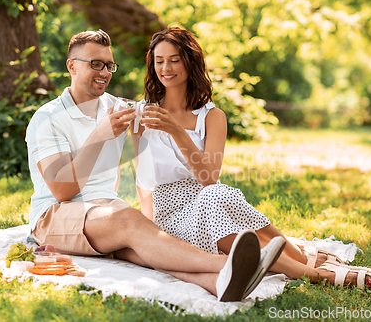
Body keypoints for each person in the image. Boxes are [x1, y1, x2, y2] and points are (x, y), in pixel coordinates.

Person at [25, 29, 285, 302]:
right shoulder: (48, 119)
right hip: (55, 216)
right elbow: (62, 191)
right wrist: (100, 136)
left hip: (103, 210)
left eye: (109, 65)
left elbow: (153, 148)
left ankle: (220, 284)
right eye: (95, 64)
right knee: (131, 221)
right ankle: (229, 264)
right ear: (71, 65)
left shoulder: (116, 108)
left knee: (153, 249)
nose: (104, 72)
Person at [133, 27, 371, 293]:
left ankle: (298, 257)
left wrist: (176, 130)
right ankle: (310, 272)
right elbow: (143, 175)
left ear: (190, 61)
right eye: (159, 61)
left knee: (215, 194)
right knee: (216, 199)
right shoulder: (142, 113)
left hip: (208, 200)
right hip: (170, 215)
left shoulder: (212, 117)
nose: (165, 68)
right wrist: (149, 228)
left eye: (174, 59)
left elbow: (209, 178)